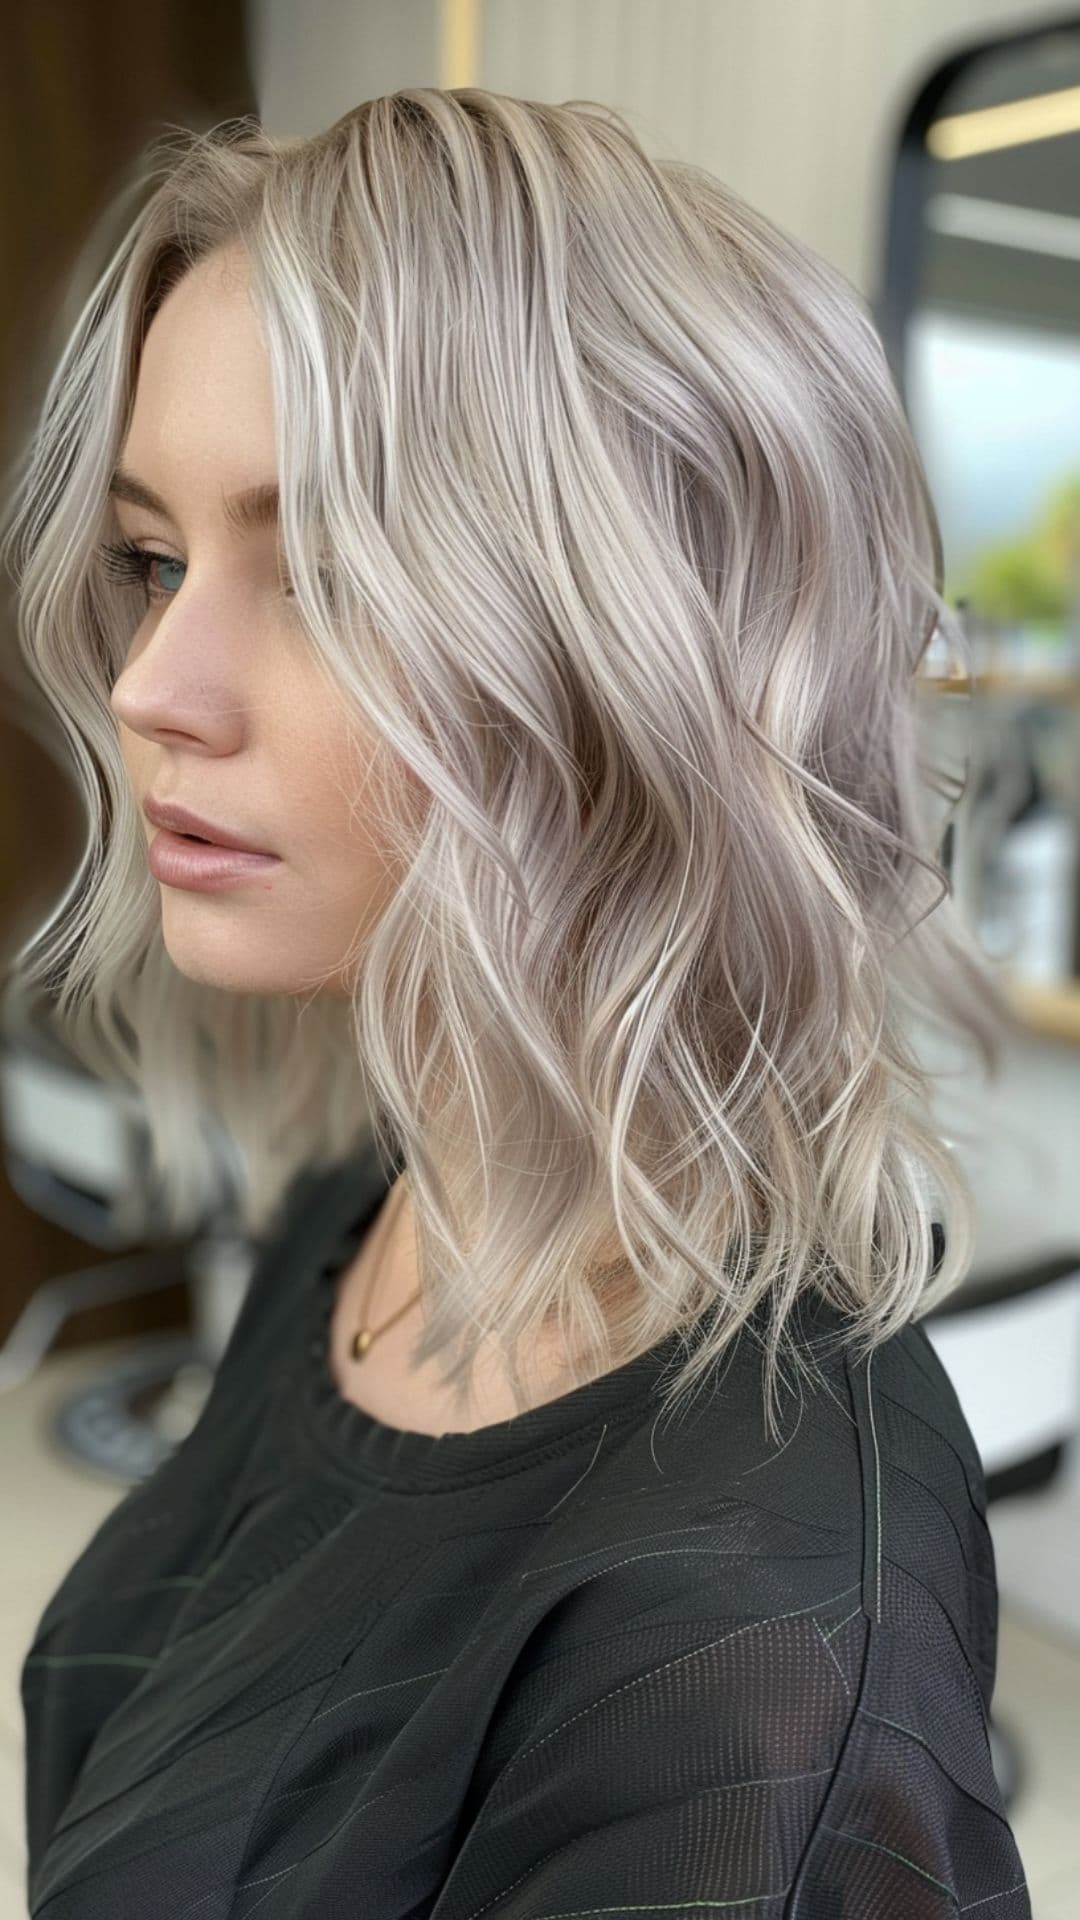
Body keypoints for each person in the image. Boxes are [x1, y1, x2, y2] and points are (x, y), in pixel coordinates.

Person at [2, 88, 1032, 1918]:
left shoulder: (751, 1673)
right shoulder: (372, 1211)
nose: (153, 681)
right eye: (155, 559)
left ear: (646, 647)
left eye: (325, 569)